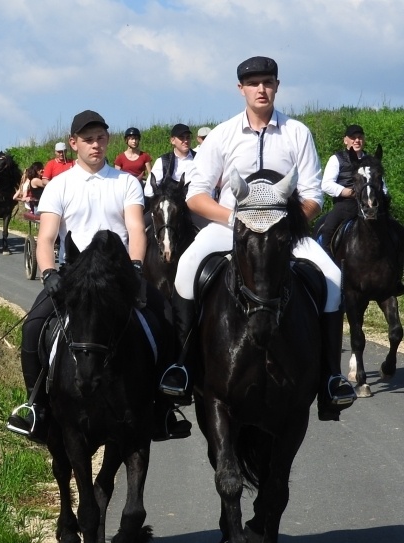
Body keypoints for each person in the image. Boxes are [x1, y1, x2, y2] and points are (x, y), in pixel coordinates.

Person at [157, 56, 356, 422]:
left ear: (277, 86)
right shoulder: (222, 135)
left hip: (285, 233)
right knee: (185, 268)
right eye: (253, 83)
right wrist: (235, 220)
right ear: (241, 89)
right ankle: (181, 366)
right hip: (230, 227)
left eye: (267, 82)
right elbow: (196, 195)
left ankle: (331, 377)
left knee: (332, 277)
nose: (260, 89)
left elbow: (313, 194)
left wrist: (285, 226)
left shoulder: (297, 133)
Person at [6, 110, 191, 443]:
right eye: (88, 139)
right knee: (33, 325)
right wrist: (48, 273)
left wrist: (136, 267)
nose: (95, 145)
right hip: (73, 276)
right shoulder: (59, 185)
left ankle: (163, 407)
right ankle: (37, 407)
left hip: (119, 275)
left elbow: (136, 229)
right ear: (74, 143)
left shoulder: (126, 182)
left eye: (101, 138)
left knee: (165, 315)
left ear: (108, 141)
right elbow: (46, 238)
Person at [316, 124, 387, 255]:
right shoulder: (336, 159)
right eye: (353, 138)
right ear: (345, 140)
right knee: (327, 230)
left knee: (395, 230)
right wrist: (347, 192)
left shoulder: (371, 160)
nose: (357, 140)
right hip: (346, 204)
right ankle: (327, 260)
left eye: (360, 137)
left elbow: (382, 184)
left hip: (371, 203)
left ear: (364, 139)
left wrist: (381, 196)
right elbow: (326, 184)